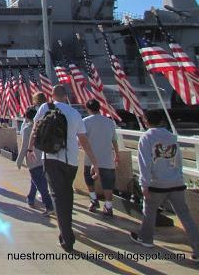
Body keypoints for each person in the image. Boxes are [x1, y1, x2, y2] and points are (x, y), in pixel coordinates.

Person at [28, 84, 99, 253]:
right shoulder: (74, 114)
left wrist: (30, 149)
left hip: (50, 158)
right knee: (67, 194)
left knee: (57, 197)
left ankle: (67, 237)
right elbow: (83, 140)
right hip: (71, 160)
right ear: (66, 96)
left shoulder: (45, 107)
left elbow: (35, 129)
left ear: (51, 95)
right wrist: (95, 162)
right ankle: (67, 230)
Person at [130, 110, 199, 261]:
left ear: (146, 121)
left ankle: (146, 239)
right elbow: (178, 161)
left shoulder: (146, 137)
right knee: (185, 216)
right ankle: (197, 248)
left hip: (157, 184)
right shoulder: (171, 136)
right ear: (161, 120)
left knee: (149, 212)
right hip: (176, 183)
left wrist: (144, 184)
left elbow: (144, 164)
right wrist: (179, 178)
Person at [82, 99, 120, 217]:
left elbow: (82, 140)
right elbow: (114, 140)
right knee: (108, 183)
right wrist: (117, 155)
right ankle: (108, 206)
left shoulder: (85, 122)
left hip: (91, 157)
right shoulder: (109, 122)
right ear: (99, 108)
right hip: (107, 157)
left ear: (88, 109)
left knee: (89, 179)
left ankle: (93, 200)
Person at [17, 105, 54, 216]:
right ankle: (31, 198)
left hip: (33, 159)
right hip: (45, 158)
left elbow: (24, 147)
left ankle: (49, 205)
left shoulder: (28, 129)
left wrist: (19, 161)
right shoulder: (43, 127)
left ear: (27, 117)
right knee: (37, 180)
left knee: (40, 184)